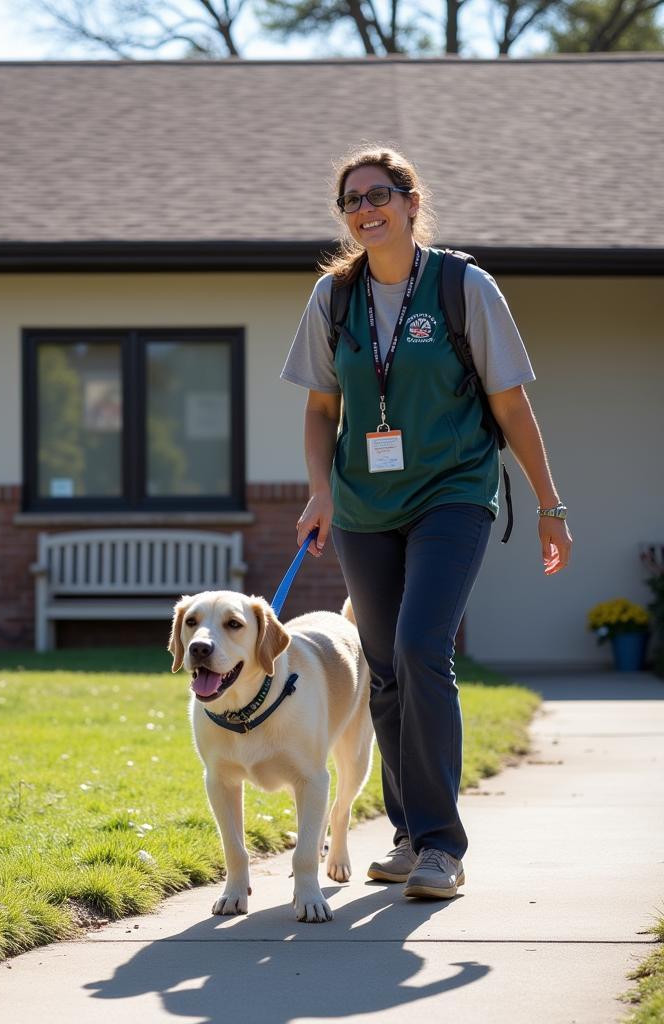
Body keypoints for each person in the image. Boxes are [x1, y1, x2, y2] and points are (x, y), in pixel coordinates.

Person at [280, 145, 572, 899]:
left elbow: (511, 405)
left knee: (419, 646)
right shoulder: (332, 299)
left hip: (454, 490)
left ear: (412, 202)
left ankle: (444, 846)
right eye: (352, 200)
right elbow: (320, 409)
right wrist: (319, 491)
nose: (366, 209)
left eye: (381, 194)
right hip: (363, 506)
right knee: (381, 669)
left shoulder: (460, 285)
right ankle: (408, 836)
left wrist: (549, 503)